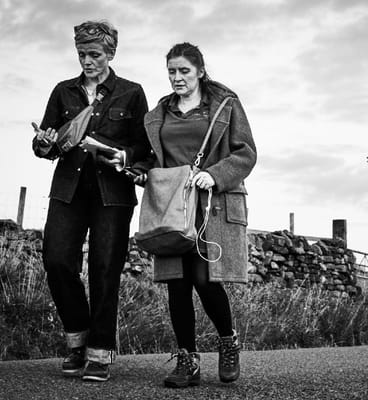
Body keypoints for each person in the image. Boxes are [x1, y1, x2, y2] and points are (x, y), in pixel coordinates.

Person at [31, 20, 149, 382]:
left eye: (94, 54)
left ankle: (99, 353)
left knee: (104, 270)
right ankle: (77, 340)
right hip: (68, 191)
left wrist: (124, 158)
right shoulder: (62, 91)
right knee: (56, 259)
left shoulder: (131, 92)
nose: (87, 60)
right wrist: (44, 143)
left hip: (112, 195)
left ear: (110, 53)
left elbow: (144, 150)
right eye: (82, 54)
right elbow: (42, 146)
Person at [135, 42, 256, 388]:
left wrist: (215, 175)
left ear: (200, 71)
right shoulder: (159, 113)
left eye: (184, 71)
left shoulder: (225, 106)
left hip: (211, 205)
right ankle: (187, 360)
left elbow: (246, 153)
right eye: (171, 72)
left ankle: (228, 342)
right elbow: (150, 157)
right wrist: (141, 171)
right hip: (171, 207)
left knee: (205, 279)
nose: (177, 78)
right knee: (177, 283)